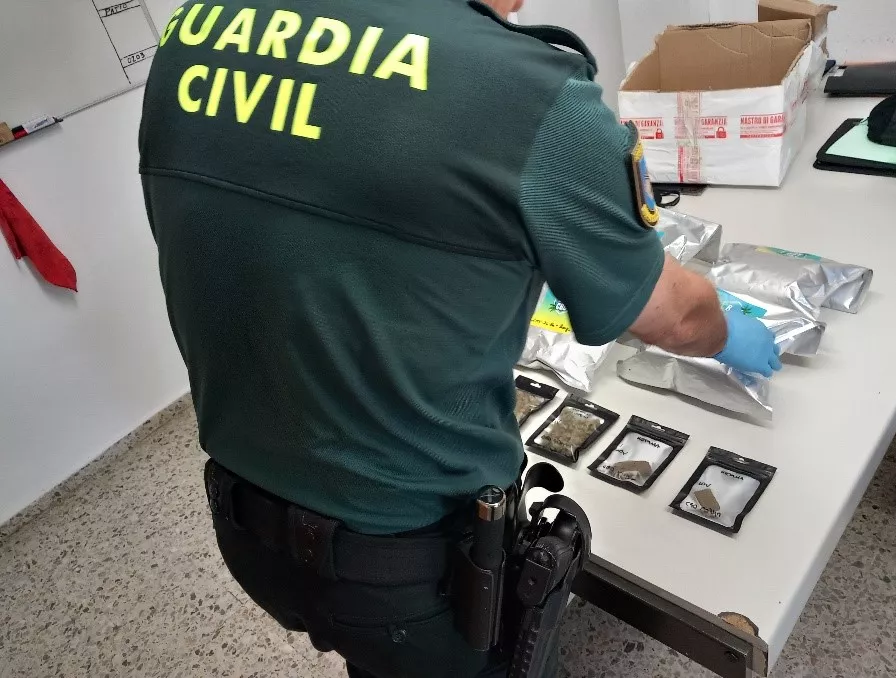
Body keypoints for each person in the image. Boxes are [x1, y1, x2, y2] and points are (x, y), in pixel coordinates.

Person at [139, 0, 780, 676]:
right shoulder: (528, 90)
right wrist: (727, 330)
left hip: (244, 524)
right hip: (415, 568)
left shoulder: (197, 27)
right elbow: (671, 316)